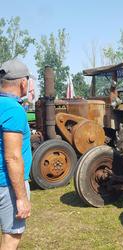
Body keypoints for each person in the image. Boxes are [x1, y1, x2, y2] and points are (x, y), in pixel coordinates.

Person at [0, 59, 32, 249]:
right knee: (11, 237)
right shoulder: (14, 109)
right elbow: (13, 157)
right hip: (7, 185)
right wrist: (21, 198)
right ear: (23, 83)